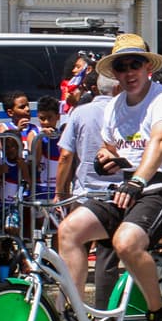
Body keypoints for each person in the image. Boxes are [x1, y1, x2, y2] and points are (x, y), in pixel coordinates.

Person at [56, 33, 162, 321]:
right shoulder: (114, 107)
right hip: (130, 189)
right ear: (114, 73)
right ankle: (74, 311)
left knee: (126, 242)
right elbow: (110, 147)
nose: (129, 72)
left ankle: (159, 313)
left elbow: (160, 141)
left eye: (135, 64)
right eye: (121, 67)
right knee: (69, 230)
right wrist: (106, 158)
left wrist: (138, 181)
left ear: (148, 68)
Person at [55, 73, 120, 309]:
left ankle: (69, 308)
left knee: (71, 251)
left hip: (84, 193)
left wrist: (60, 191)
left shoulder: (80, 113)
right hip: (115, 195)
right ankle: (105, 312)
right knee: (107, 258)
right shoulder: (124, 112)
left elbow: (65, 155)